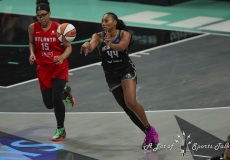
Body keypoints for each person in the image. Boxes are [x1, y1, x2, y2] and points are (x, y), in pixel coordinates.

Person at [80, 12, 159, 149]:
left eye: (106, 20)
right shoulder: (98, 36)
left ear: (115, 22)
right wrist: (88, 44)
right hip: (110, 75)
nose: (103, 23)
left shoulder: (124, 34)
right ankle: (148, 133)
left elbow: (122, 47)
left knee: (131, 102)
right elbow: (92, 45)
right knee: (127, 109)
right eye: (102, 21)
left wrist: (110, 44)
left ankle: (151, 130)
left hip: (125, 71)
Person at [28, 0, 75, 141]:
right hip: (43, 68)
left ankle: (61, 130)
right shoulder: (32, 27)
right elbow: (31, 42)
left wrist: (61, 56)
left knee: (55, 98)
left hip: (58, 66)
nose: (41, 18)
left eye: (43, 15)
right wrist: (32, 53)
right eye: (38, 16)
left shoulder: (59, 28)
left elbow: (69, 47)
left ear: (50, 14)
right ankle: (65, 92)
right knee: (49, 104)